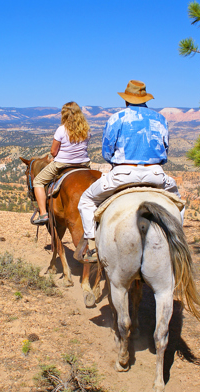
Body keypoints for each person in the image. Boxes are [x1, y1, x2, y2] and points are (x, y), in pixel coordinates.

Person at [78, 80, 183, 262]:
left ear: (126, 100)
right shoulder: (160, 119)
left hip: (123, 174)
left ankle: (93, 246)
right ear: (145, 98)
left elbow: (106, 152)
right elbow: (165, 152)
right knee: (179, 204)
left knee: (86, 201)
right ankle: (178, 241)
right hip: (155, 174)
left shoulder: (116, 118)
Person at [32, 101, 91, 225]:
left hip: (63, 164)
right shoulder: (86, 129)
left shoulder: (61, 129)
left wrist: (57, 156)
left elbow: (53, 152)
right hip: (84, 164)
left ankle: (43, 213)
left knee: (38, 181)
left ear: (64, 114)